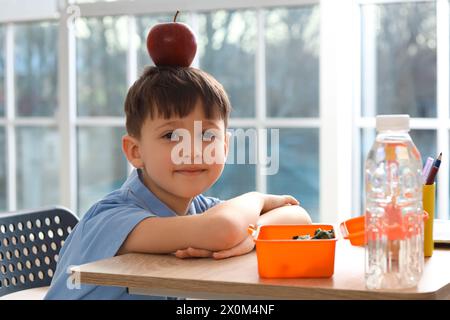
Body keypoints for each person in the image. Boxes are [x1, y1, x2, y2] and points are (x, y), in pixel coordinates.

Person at [45, 66, 311, 300]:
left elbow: (299, 218)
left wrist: (250, 238)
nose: (192, 149)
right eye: (172, 135)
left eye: (207, 134)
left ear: (225, 146)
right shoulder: (112, 218)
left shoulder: (198, 208)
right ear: (135, 151)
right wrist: (257, 198)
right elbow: (224, 228)